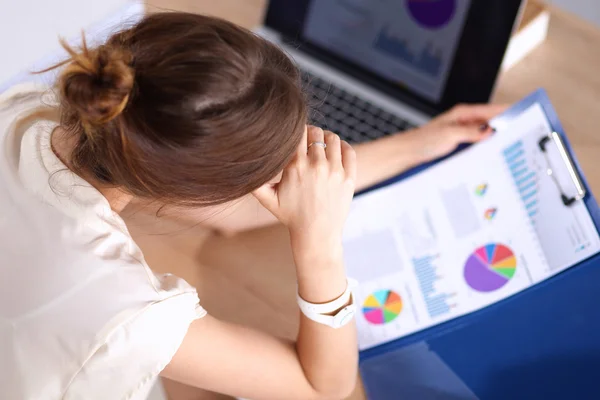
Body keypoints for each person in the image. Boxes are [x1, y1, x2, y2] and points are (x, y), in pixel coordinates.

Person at [0, 12, 505, 400]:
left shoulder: (31, 111)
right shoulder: (126, 313)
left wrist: (424, 142)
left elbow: (235, 214)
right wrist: (319, 245)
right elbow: (321, 386)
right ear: (195, 191)